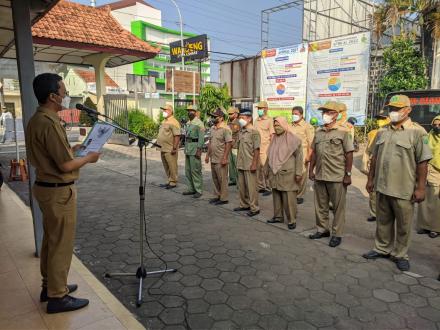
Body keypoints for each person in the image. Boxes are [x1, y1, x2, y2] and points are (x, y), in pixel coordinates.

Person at [26, 73, 100, 313]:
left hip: (46, 189)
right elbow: (65, 166)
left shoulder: (38, 119)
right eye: (63, 91)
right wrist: (88, 157)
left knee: (50, 241)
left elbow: (57, 154)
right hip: (58, 192)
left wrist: (75, 149)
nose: (66, 95)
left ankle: (51, 287)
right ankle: (58, 296)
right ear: (52, 96)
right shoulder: (48, 122)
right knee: (61, 244)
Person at [363, 95, 432, 271]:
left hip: (404, 188)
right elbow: (375, 157)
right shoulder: (382, 131)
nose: (393, 112)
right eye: (391, 109)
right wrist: (370, 179)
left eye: (397, 109)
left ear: (408, 110)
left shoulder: (418, 132)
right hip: (382, 185)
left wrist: (421, 188)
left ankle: (400, 254)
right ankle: (382, 248)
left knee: (403, 225)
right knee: (383, 221)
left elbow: (422, 162)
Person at [309, 101, 354, 248]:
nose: (325, 115)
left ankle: (337, 234)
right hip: (320, 175)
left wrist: (348, 174)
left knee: (338, 207)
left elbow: (349, 154)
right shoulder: (319, 132)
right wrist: (311, 170)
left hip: (337, 176)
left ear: (335, 115)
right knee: (320, 206)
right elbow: (314, 152)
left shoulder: (343, 131)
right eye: (324, 112)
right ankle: (322, 230)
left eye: (328, 112)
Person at [266, 117, 303, 230]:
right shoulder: (274, 139)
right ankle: (278, 216)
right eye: (275, 126)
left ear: (284, 125)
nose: (276, 128)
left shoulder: (293, 139)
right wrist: (265, 169)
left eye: (279, 125)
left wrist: (298, 173)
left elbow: (299, 157)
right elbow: (269, 155)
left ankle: (292, 220)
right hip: (275, 173)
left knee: (289, 198)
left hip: (288, 174)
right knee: (276, 195)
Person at [362, 112, 390, 222]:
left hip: (386, 165)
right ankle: (374, 213)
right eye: (378, 119)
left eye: (382, 119)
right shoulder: (372, 133)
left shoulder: (390, 132)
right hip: (374, 163)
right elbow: (368, 150)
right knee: (372, 190)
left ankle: (386, 213)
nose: (380, 121)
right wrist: (365, 163)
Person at [234, 108, 261, 217]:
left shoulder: (254, 132)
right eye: (240, 118)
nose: (240, 120)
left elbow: (257, 149)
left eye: (243, 118)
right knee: (242, 186)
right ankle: (244, 204)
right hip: (241, 163)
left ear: (249, 119)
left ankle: (254, 208)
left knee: (251, 187)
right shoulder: (241, 131)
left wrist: (254, 163)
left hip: (250, 164)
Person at [416, 115, 440, 238]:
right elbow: (423, 151)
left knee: (436, 202)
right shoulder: (429, 136)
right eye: (434, 125)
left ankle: (435, 228)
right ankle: (424, 226)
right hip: (426, 171)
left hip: (438, 174)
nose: (437, 127)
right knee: (424, 200)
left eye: (439, 125)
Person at [205, 108, 232, 205]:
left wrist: (225, 157)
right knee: (215, 178)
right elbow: (210, 142)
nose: (213, 118)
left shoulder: (226, 129)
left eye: (215, 116)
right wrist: (207, 155)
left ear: (221, 118)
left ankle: (224, 198)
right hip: (213, 158)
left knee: (222, 179)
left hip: (221, 158)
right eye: (212, 116)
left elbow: (229, 143)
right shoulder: (212, 128)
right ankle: (217, 195)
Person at [291, 106, 314, 204]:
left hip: (303, 153)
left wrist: (308, 156)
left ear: (301, 115)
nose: (293, 116)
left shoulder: (307, 126)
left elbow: (311, 143)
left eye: (295, 114)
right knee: (293, 174)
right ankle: (293, 193)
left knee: (302, 175)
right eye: (292, 114)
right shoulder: (290, 125)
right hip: (291, 153)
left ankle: (299, 195)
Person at [182, 104, 204, 198]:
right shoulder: (188, 123)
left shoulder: (199, 123)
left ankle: (198, 190)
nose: (189, 112)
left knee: (195, 170)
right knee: (188, 170)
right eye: (188, 110)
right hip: (188, 148)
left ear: (195, 112)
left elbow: (201, 138)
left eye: (191, 111)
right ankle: (191, 189)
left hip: (195, 148)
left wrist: (199, 149)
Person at [157, 104, 181, 189]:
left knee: (172, 165)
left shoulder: (174, 122)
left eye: (165, 110)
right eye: (163, 110)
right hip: (162, 148)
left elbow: (177, 136)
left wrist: (174, 148)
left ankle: (173, 182)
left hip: (170, 148)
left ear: (170, 111)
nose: (163, 111)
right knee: (166, 165)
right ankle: (169, 180)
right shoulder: (164, 121)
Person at [255, 101, 274, 196]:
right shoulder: (256, 120)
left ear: (266, 109)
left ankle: (269, 187)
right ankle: (261, 186)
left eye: (261, 108)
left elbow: (272, 135)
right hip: (257, 148)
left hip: (266, 148)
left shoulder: (270, 120)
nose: (259, 110)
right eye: (258, 109)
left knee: (266, 169)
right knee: (258, 169)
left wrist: (271, 149)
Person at [227, 106, 240, 186]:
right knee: (230, 163)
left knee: (236, 163)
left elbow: (240, 134)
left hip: (236, 146)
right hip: (229, 145)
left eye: (231, 114)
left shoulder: (239, 122)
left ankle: (239, 180)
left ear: (236, 114)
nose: (229, 115)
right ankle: (233, 179)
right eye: (229, 114)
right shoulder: (228, 122)